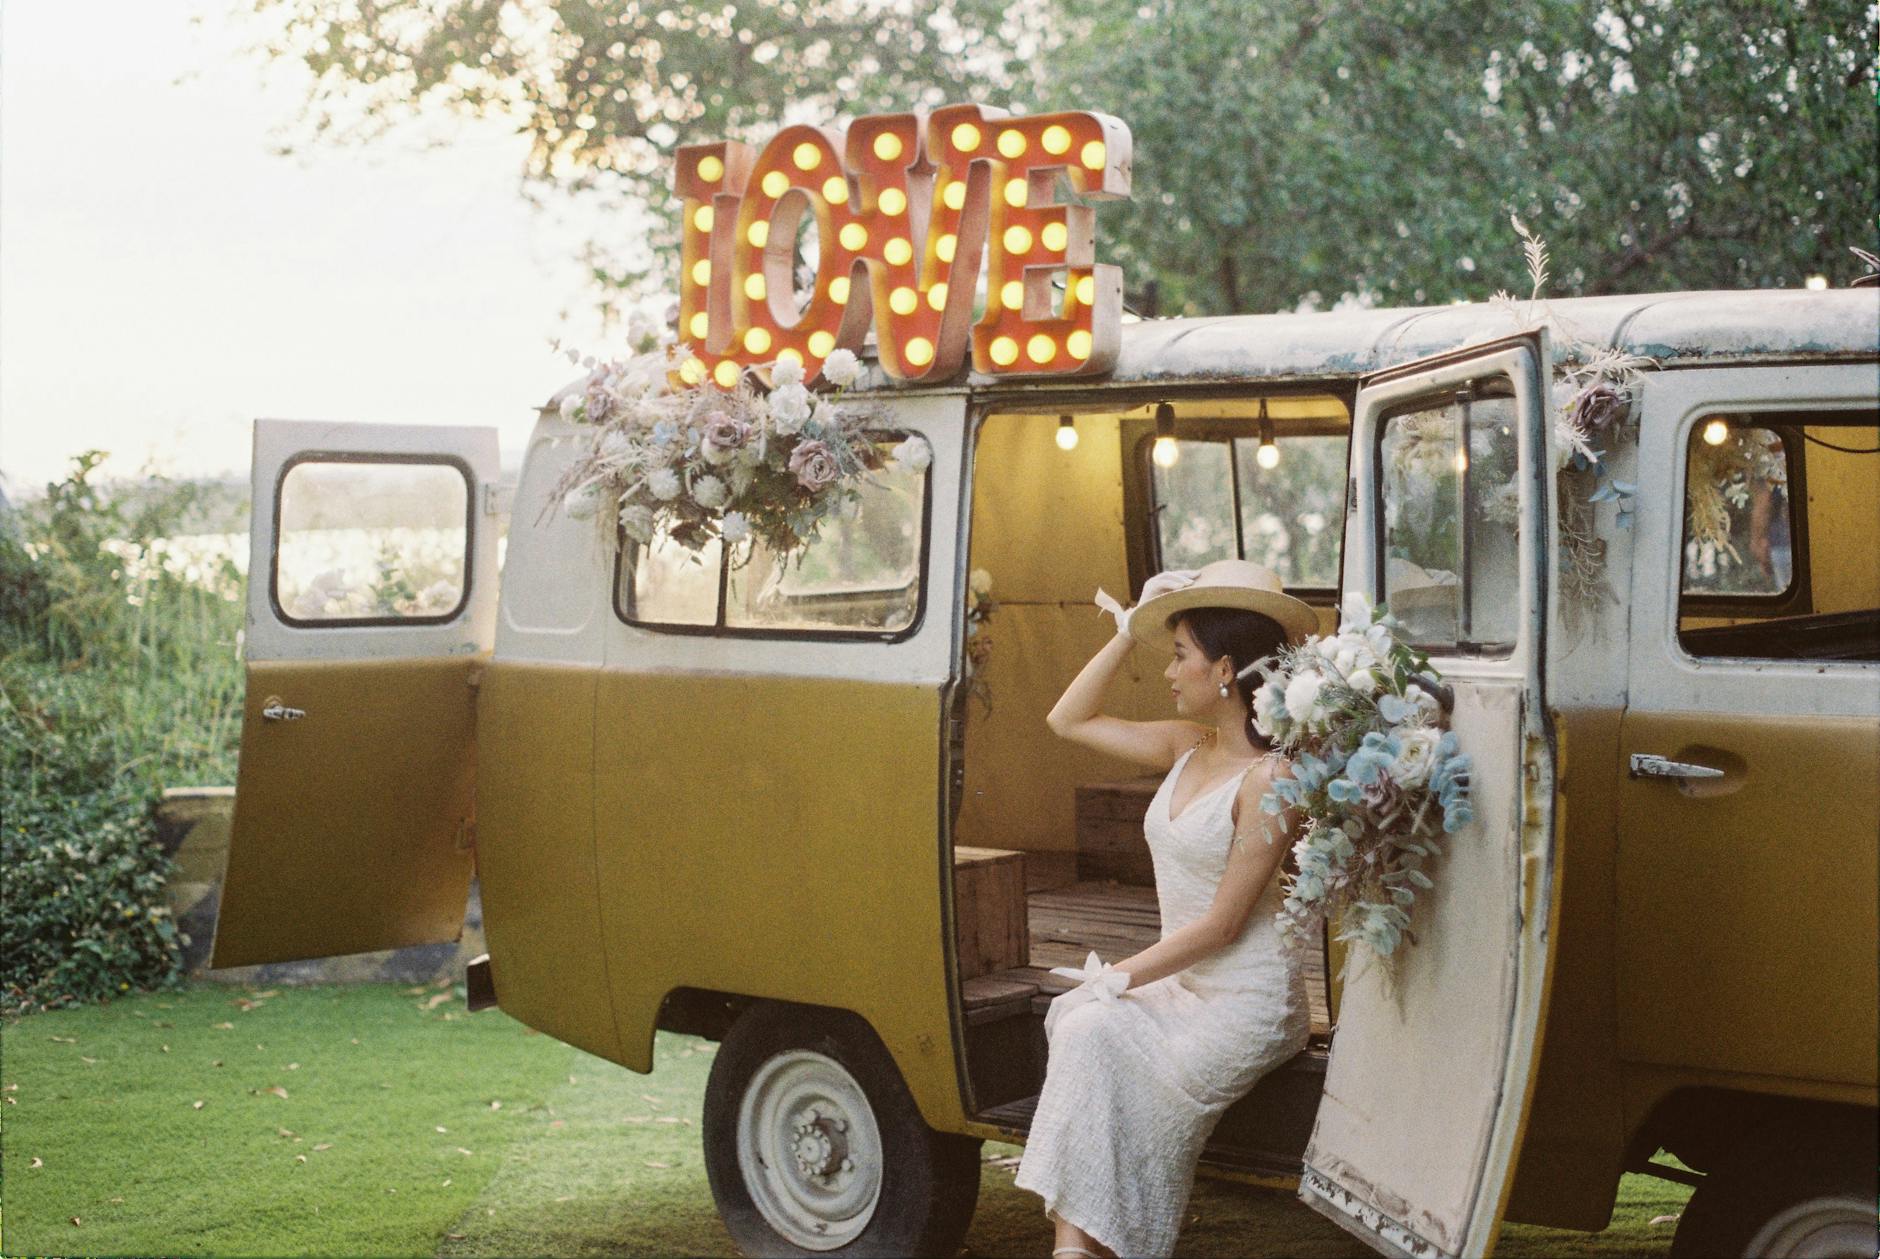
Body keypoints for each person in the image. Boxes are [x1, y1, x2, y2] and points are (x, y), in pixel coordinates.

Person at [1014, 558, 1320, 1259]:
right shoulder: (1188, 744)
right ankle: (1073, 1252)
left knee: (1099, 1026)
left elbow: (1224, 925)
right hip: (1177, 983)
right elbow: (1067, 718)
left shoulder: (1272, 778)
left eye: (1179, 654)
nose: (1167, 671)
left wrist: (1118, 975)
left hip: (1246, 1001)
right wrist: (1127, 627)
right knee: (1086, 1028)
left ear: (1225, 669)